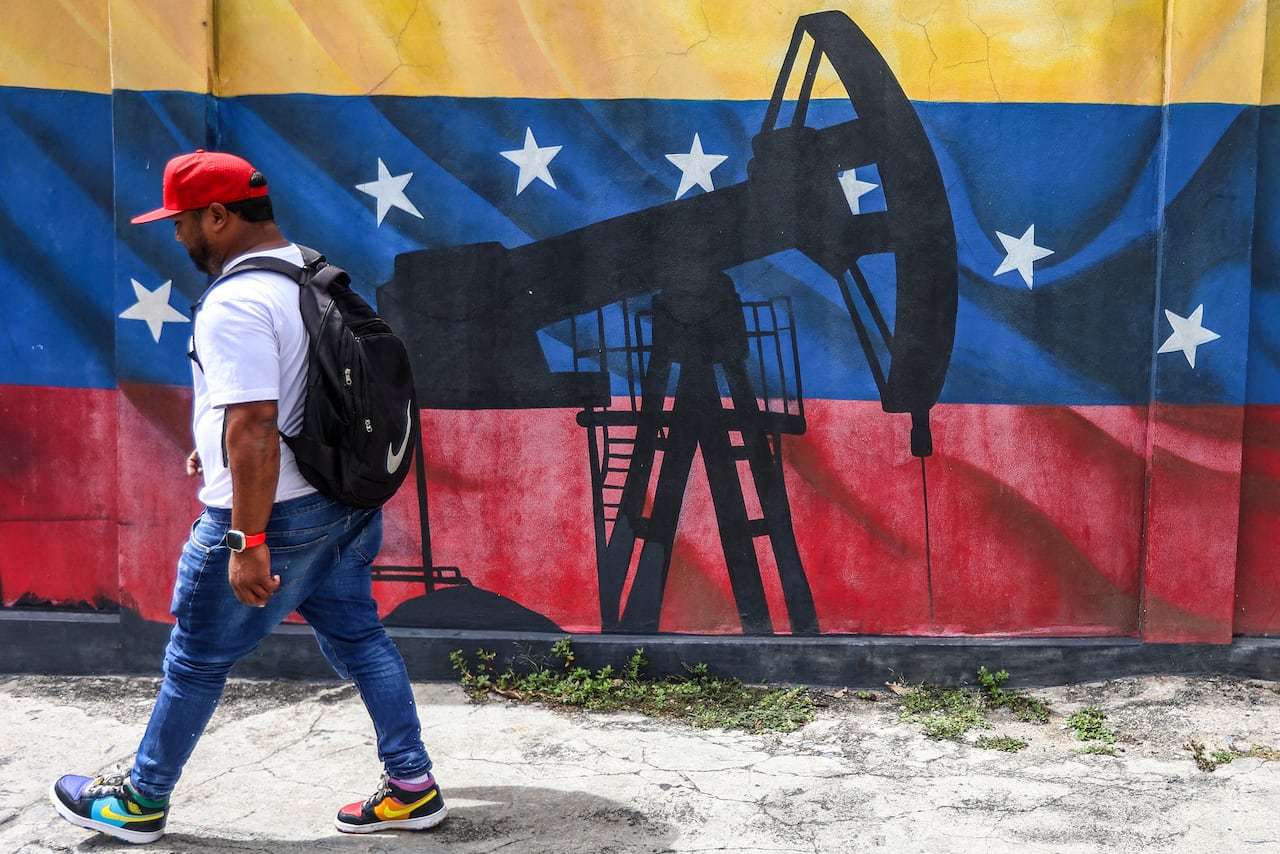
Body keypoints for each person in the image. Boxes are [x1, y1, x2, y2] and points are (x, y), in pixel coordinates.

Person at [49, 150, 446, 843]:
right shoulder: (309, 270)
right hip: (343, 505)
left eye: (182, 222)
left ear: (218, 215)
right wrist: (215, 435)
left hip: (275, 517)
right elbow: (282, 396)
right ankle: (412, 787)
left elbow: (257, 424)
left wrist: (247, 540)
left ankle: (141, 800)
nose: (177, 236)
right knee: (359, 636)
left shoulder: (234, 301)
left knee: (196, 658)